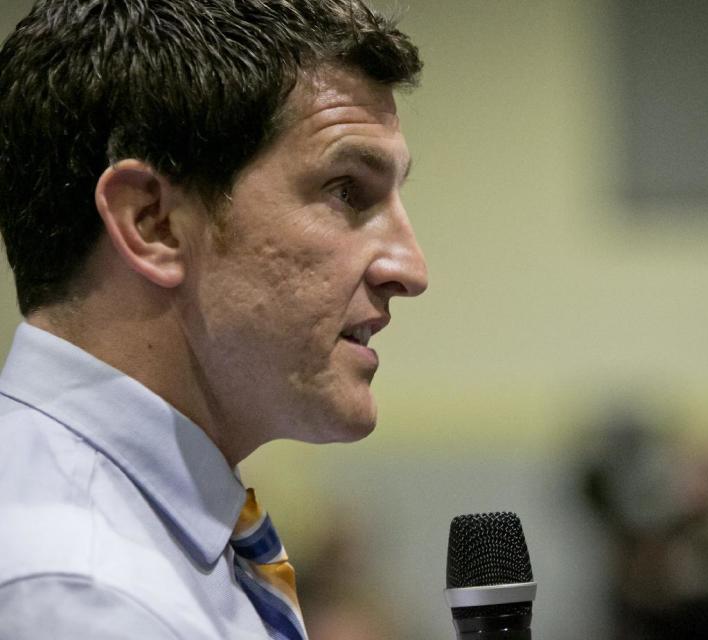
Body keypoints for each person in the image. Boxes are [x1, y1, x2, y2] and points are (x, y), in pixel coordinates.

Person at [0, 1, 427, 638]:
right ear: (154, 224)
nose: (410, 267)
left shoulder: (154, 547)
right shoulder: (85, 594)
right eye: (347, 191)